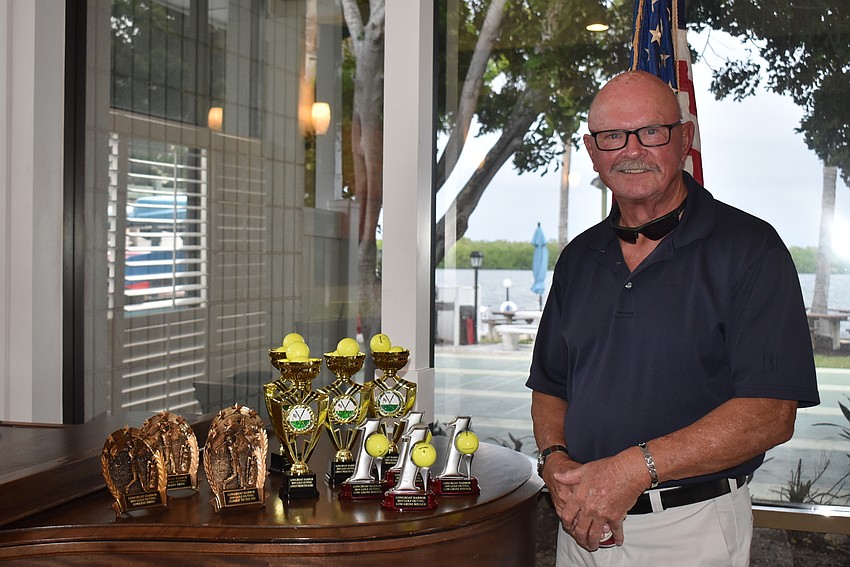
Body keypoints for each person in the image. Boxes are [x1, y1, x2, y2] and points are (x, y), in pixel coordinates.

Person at [526, 70, 820, 566]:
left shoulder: (752, 250)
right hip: (579, 525)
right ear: (592, 151)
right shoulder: (578, 257)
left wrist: (630, 470)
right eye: (613, 136)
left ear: (684, 139)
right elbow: (551, 385)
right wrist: (555, 461)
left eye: (651, 132)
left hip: (690, 530)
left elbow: (771, 414)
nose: (632, 150)